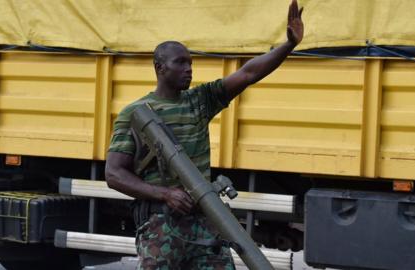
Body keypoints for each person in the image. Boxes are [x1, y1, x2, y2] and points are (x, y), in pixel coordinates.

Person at [105, 0, 304, 269]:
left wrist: (288, 46)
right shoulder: (136, 113)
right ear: (160, 68)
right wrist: (164, 194)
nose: (189, 68)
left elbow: (248, 74)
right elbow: (114, 174)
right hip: (162, 226)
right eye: (180, 63)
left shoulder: (199, 101)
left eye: (190, 62)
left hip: (205, 222)